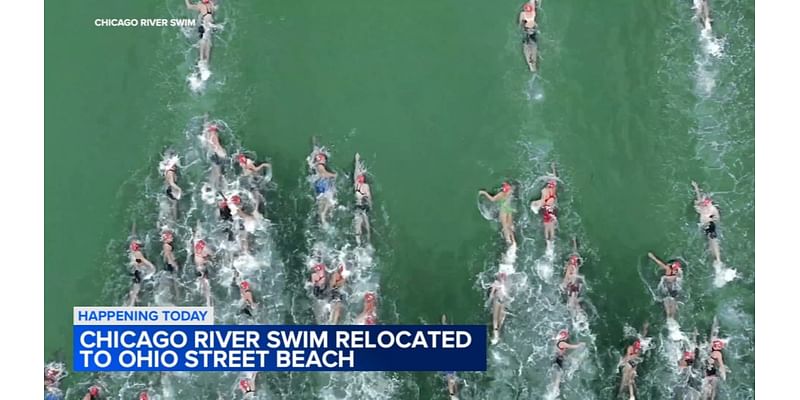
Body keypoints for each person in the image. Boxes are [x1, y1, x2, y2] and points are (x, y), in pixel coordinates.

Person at [692, 181, 722, 264]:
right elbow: (698, 197)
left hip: (710, 225)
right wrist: (696, 187)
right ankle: (715, 259)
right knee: (710, 242)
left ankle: (718, 259)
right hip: (704, 226)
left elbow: (717, 219)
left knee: (713, 239)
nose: (705, 205)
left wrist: (712, 219)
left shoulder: (713, 209)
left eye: (707, 203)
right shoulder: (701, 207)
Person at [647, 252, 682, 321]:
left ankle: (668, 318)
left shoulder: (668, 268)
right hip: (674, 289)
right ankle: (673, 319)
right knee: (673, 301)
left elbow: (659, 263)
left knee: (667, 303)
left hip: (666, 288)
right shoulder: (677, 272)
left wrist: (652, 256)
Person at [619, 322, 649, 400]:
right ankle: (627, 395)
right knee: (627, 379)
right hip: (628, 364)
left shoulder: (638, 349)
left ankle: (631, 395)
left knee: (630, 379)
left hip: (632, 364)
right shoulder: (631, 349)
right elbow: (627, 358)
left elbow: (634, 357)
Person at [701, 317, 727, 400]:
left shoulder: (709, 349)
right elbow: (721, 365)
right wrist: (724, 374)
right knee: (712, 393)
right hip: (712, 376)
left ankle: (715, 322)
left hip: (705, 374)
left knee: (705, 393)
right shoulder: (718, 354)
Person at [312, 152, 337, 225]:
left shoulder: (317, 167)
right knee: (328, 205)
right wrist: (333, 175)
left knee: (323, 206)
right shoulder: (320, 166)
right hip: (324, 187)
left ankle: (321, 222)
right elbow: (323, 174)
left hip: (320, 188)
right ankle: (323, 220)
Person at [353, 153, 373, 246]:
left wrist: (357, 160)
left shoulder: (356, 185)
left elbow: (356, 173)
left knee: (358, 228)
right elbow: (369, 198)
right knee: (367, 227)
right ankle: (368, 243)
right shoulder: (366, 186)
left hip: (358, 206)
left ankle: (359, 244)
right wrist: (371, 206)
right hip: (365, 207)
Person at [488, 272, 509, 345]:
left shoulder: (507, 284)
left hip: (502, 300)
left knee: (501, 317)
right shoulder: (496, 283)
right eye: (501, 276)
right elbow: (491, 294)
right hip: (497, 299)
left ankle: (496, 333)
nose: (502, 277)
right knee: (496, 317)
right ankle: (495, 332)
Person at [518, 1, 539, 72]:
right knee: (534, 45)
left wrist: (522, 25)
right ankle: (534, 64)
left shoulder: (523, 14)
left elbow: (520, 23)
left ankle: (530, 64)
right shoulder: (533, 13)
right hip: (533, 30)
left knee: (526, 46)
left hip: (527, 30)